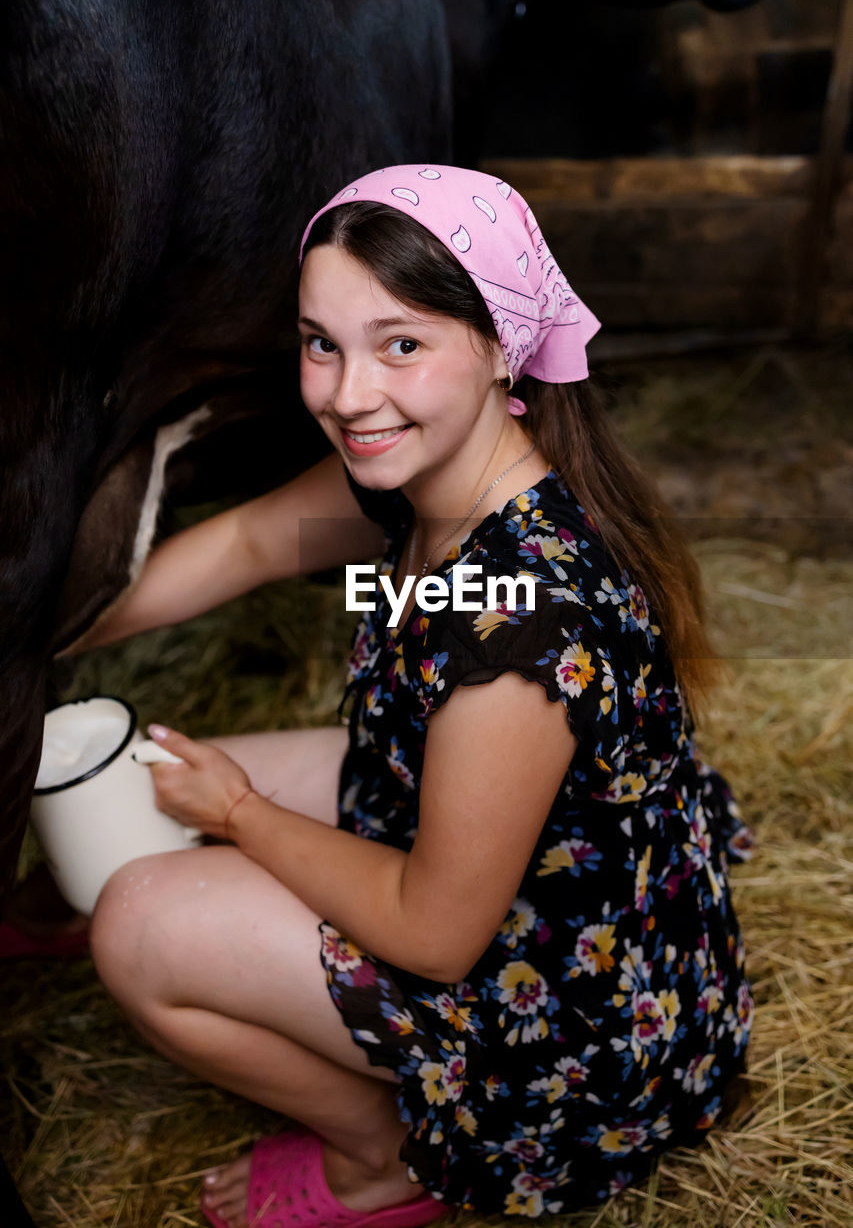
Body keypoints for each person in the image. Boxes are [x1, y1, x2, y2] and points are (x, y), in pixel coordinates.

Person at [83, 165, 754, 1228]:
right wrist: (54, 630)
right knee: (155, 776)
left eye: (401, 343)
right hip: (517, 869)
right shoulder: (419, 484)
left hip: (564, 1026)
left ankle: (382, 1153)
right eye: (321, 342)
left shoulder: (522, 628)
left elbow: (438, 932)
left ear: (499, 345)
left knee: (135, 918)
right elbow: (254, 541)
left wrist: (242, 817)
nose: (348, 393)